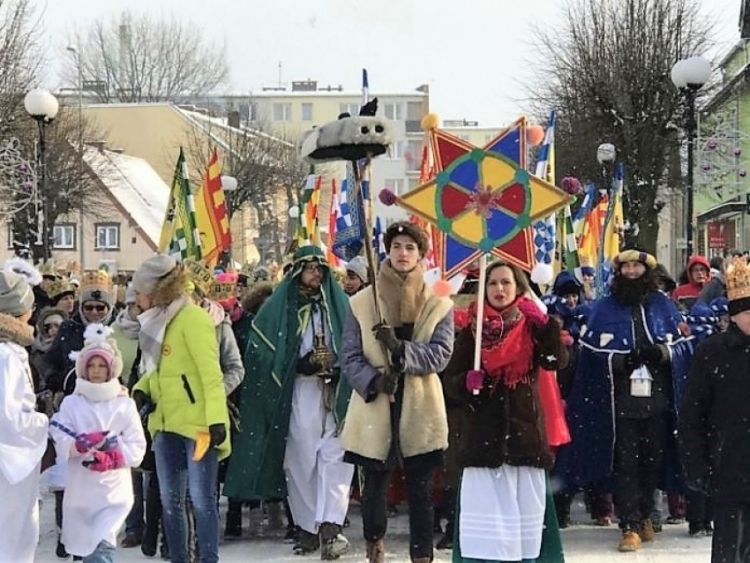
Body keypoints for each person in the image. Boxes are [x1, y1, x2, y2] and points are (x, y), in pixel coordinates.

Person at [557, 248, 693, 552]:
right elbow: (590, 355)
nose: (631, 272)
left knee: (652, 461)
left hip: (657, 402)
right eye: (626, 266)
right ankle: (629, 523)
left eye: (637, 267)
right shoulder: (604, 309)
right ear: (619, 271)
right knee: (626, 463)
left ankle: (645, 514)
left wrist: (662, 353)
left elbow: (685, 347)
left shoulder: (663, 306)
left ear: (647, 271)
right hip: (619, 406)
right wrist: (619, 362)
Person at [224, 245, 354, 560]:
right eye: (309, 267)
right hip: (300, 391)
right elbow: (263, 353)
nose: (315, 272)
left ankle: (331, 526)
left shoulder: (337, 305)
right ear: (297, 270)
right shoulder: (280, 309)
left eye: (320, 267)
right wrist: (297, 365)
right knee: (302, 462)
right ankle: (308, 527)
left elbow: (353, 341)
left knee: (337, 458)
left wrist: (341, 367)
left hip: (334, 392)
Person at [340, 221, 454, 563]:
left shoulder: (438, 303)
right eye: (396, 247)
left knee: (420, 489)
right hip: (377, 405)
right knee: (375, 486)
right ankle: (375, 546)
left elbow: (441, 353)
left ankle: (422, 554)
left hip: (420, 406)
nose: (402, 254)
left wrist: (401, 350)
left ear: (420, 254)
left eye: (409, 247)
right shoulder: (362, 302)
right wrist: (374, 381)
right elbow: (350, 355)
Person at [441, 260, 566, 562]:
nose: (499, 289)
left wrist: (547, 327)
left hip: (524, 440)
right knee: (487, 536)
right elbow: (451, 384)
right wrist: (468, 384)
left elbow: (555, 360)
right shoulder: (472, 331)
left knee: (525, 534)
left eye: (506, 282)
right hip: (483, 443)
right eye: (493, 283)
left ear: (518, 287)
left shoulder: (532, 328)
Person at [131, 255, 230, 563]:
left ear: (156, 291)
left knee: (201, 501)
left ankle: (207, 558)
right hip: (166, 424)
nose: (136, 299)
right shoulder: (158, 322)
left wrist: (216, 420)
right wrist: (141, 391)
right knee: (170, 502)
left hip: (199, 427)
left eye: (140, 292)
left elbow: (210, 374)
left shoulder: (193, 319)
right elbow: (157, 370)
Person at [49, 324, 146, 562]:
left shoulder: (123, 404)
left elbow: (137, 445)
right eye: (91, 365)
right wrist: (76, 446)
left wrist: (114, 455)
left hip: (113, 491)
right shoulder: (72, 404)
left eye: (101, 365)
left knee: (102, 546)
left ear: (111, 368)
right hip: (81, 492)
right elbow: (58, 434)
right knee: (85, 547)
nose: (96, 371)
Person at [679, 256, 750, 562]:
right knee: (729, 547)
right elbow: (693, 413)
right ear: (734, 315)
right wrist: (696, 463)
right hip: (730, 464)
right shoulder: (713, 352)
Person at [0, 270, 49, 562]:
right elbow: (8, 419)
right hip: (8, 466)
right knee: (11, 537)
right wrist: (42, 422)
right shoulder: (6, 356)